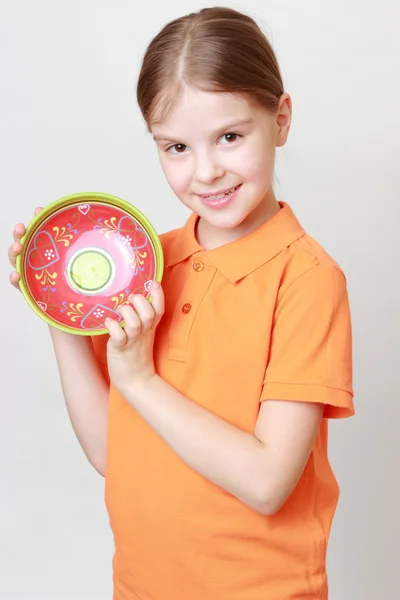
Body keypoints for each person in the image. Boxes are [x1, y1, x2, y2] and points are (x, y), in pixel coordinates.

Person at [8, 6, 354, 600]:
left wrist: (140, 380)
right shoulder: (145, 265)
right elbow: (112, 453)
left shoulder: (307, 278)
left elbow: (269, 481)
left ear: (282, 118)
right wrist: (63, 313)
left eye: (230, 136)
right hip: (141, 586)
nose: (207, 171)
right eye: (175, 148)